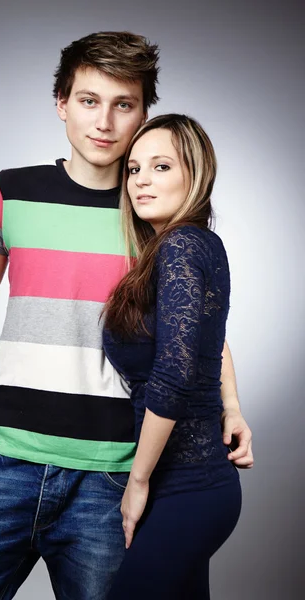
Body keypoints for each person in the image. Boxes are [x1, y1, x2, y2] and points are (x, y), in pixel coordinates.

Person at [0, 33, 252, 600]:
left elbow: (190, 330)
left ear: (144, 112)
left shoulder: (150, 208)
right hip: (4, 461)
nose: (104, 122)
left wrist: (230, 404)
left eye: (124, 104)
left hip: (111, 473)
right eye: (88, 100)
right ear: (61, 103)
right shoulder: (10, 190)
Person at [103, 113, 247, 599]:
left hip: (186, 485)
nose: (142, 180)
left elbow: (174, 372)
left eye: (161, 167)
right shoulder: (187, 245)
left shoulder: (182, 245)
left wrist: (137, 481)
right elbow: (209, 340)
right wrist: (233, 408)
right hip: (195, 482)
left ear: (195, 173)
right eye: (135, 169)